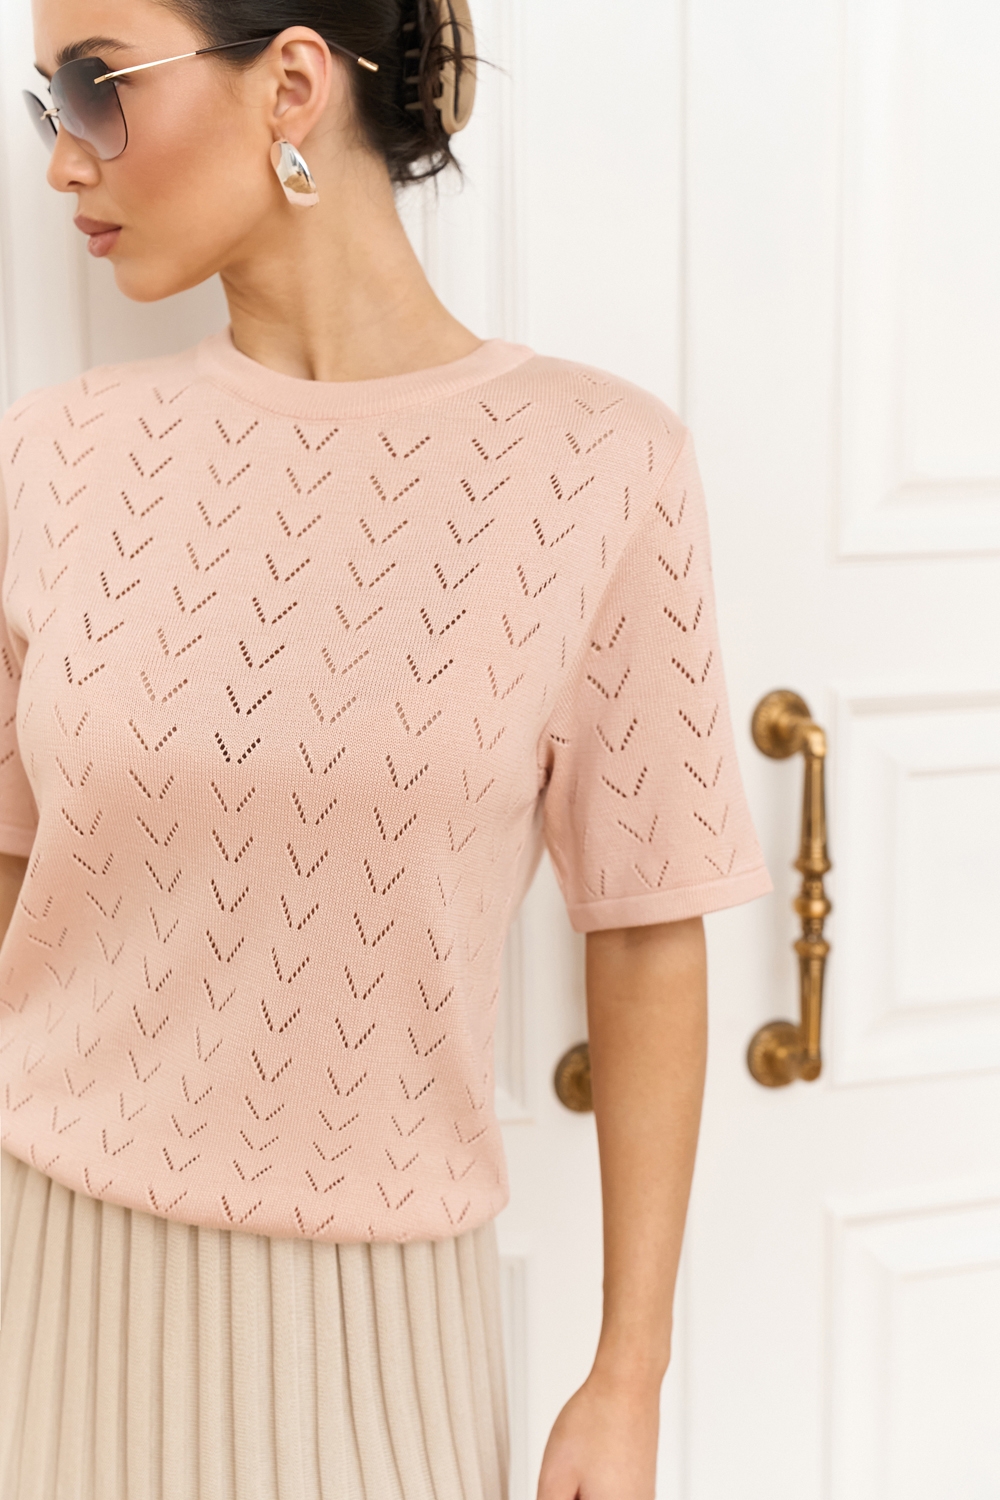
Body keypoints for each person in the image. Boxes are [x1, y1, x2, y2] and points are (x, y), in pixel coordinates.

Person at [0, 2, 772, 1496]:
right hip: (38, 1272)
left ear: (291, 83)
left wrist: (628, 1375)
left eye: (95, 89)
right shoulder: (50, 458)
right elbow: (11, 870)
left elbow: (646, 928)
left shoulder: (600, 464)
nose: (61, 161)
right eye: (48, 104)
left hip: (382, 1330)